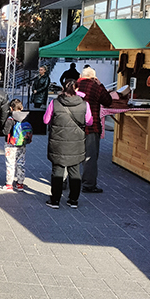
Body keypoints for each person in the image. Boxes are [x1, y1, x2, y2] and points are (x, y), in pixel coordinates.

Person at [44, 80, 93, 209]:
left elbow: (46, 120)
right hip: (76, 143)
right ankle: (73, 200)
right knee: (75, 171)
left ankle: (55, 200)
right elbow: (89, 122)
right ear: (76, 89)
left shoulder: (54, 103)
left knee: (57, 171)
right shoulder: (84, 104)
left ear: (62, 88)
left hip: (58, 143)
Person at [75, 67, 112, 193]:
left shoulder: (74, 85)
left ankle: (65, 182)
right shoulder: (96, 86)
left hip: (73, 126)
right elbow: (108, 101)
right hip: (92, 126)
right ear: (94, 77)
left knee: (70, 154)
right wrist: (100, 84)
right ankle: (89, 184)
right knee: (90, 157)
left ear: (81, 75)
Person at [0, 99, 33, 191]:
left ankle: (9, 184)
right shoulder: (26, 117)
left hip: (10, 144)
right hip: (22, 144)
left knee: (10, 164)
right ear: (21, 107)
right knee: (21, 163)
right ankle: (20, 184)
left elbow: (5, 131)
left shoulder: (10, 119)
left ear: (11, 108)